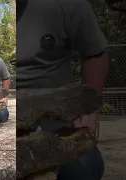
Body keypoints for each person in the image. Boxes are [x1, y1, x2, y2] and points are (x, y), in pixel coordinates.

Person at [17, 0, 109, 179]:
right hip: (13, 109)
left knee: (84, 168)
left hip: (55, 113)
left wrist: (89, 108)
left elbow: (95, 54)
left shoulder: (68, 4)